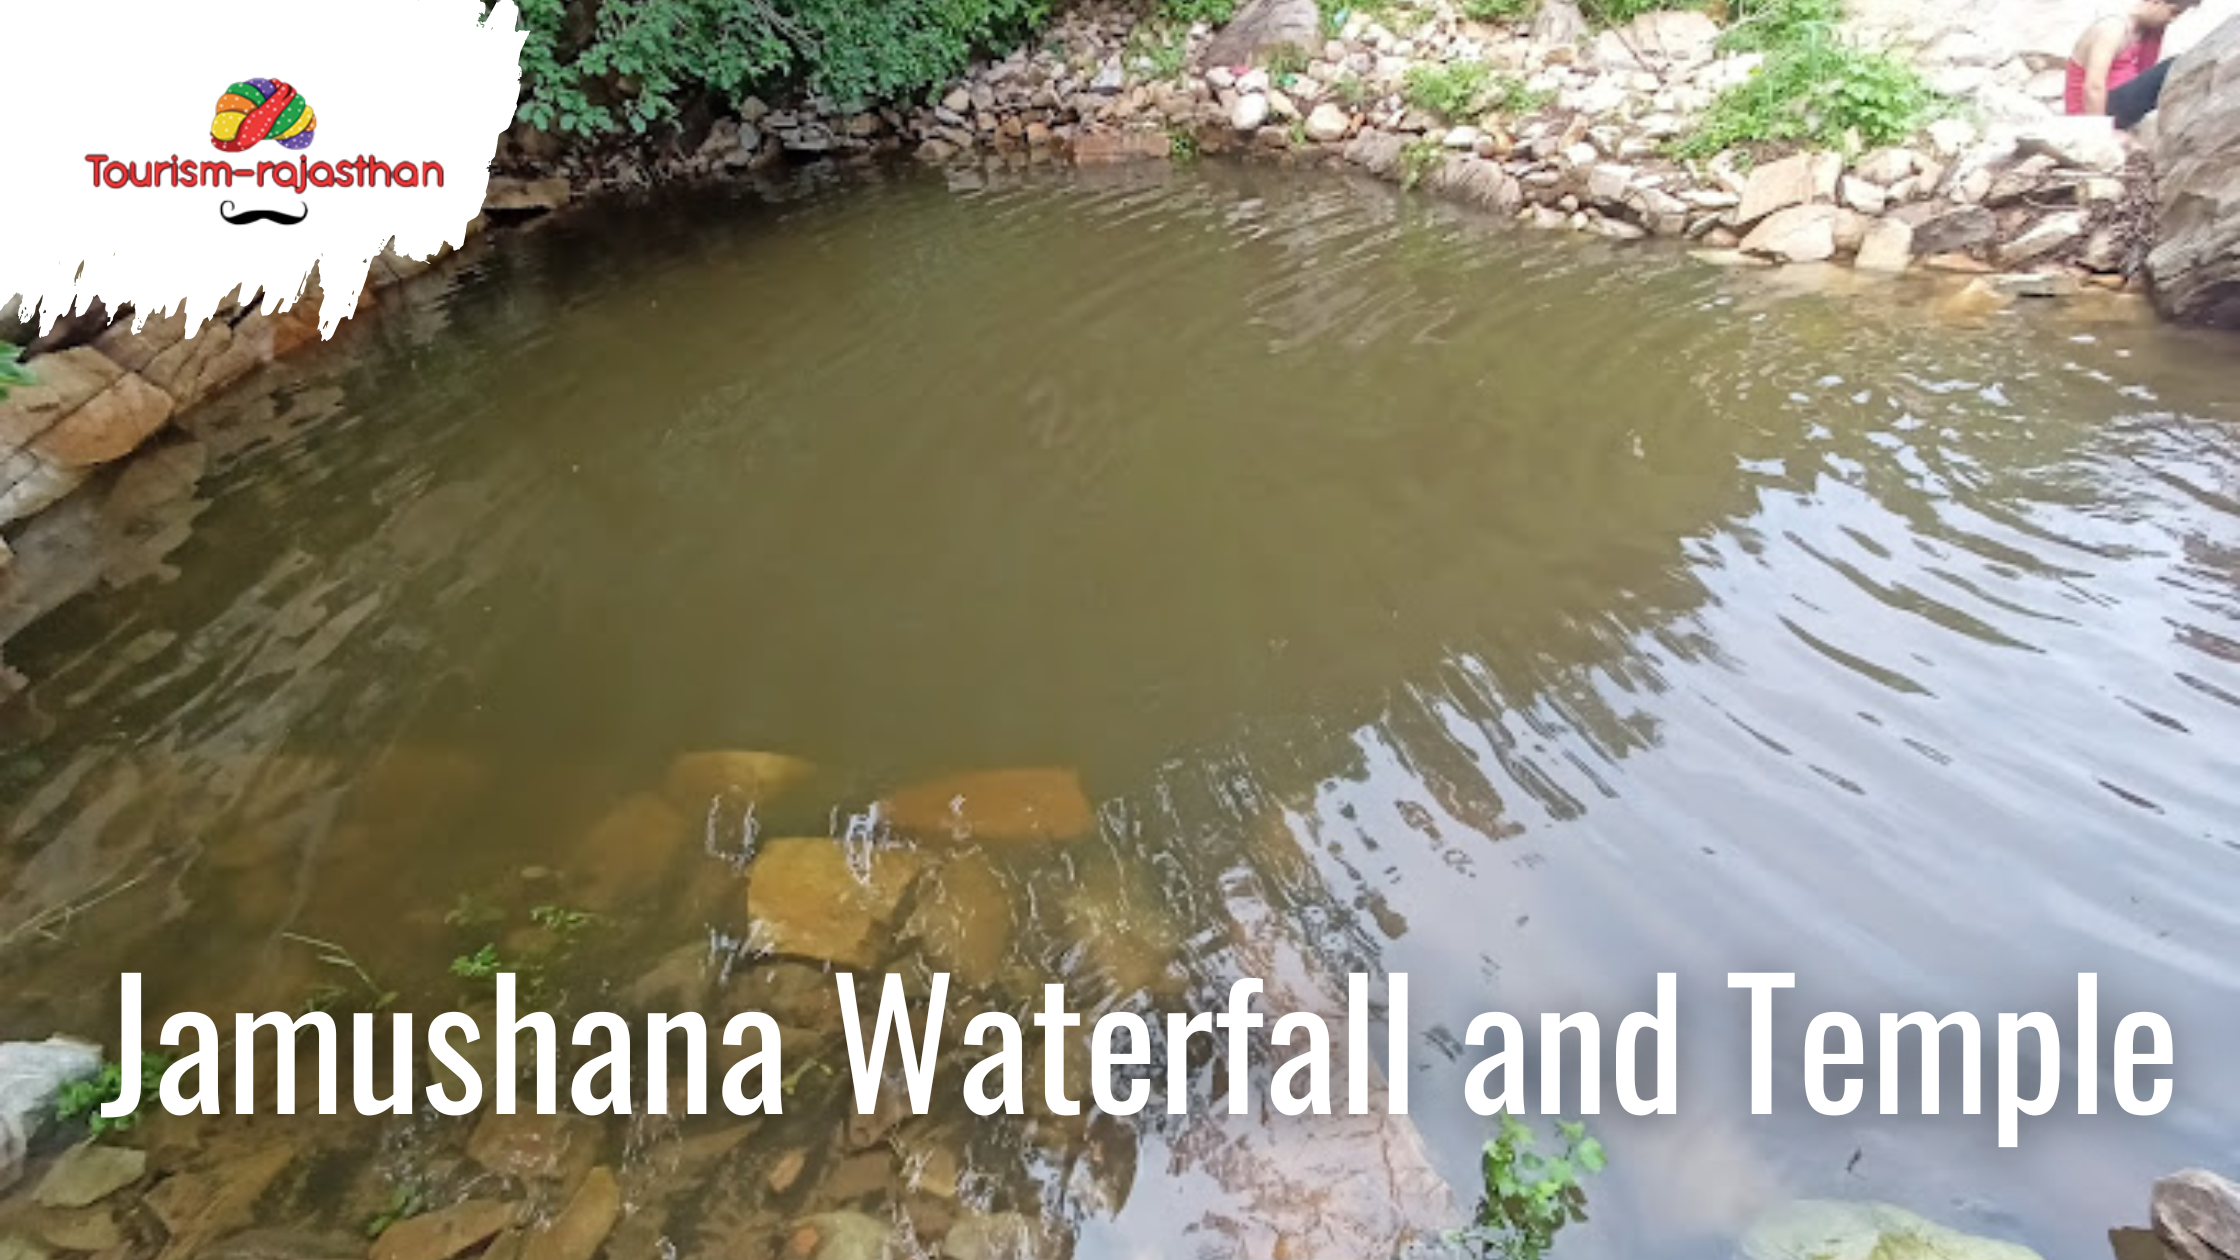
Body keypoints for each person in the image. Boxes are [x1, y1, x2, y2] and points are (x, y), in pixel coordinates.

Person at [2067, 0, 2201, 131]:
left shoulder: (2148, 32)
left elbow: (2143, 74)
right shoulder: (2112, 28)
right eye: (2173, 12)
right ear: (2156, 2)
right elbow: (2093, 87)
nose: (2172, 20)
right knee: (2173, 66)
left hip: (2119, 105)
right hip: (2092, 112)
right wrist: (2099, 134)